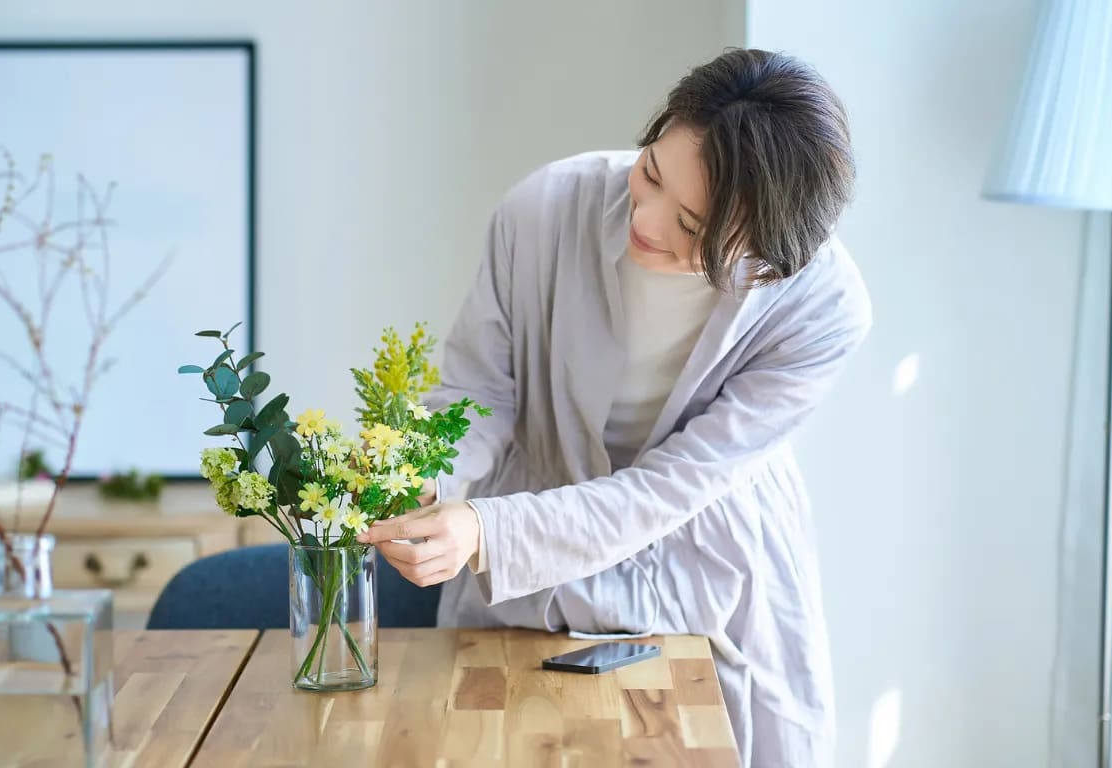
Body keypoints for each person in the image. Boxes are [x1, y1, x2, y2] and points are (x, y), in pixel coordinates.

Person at [356, 47, 872, 767]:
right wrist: (429, 474)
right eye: (650, 172)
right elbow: (480, 390)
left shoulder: (822, 309)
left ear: (769, 253)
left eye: (693, 226)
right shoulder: (543, 211)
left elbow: (670, 488)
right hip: (524, 565)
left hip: (706, 570)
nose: (648, 220)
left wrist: (486, 529)